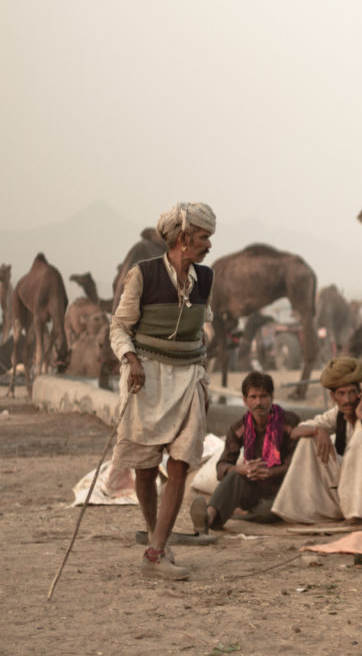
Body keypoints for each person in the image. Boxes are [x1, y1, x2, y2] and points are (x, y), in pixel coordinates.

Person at [109, 202, 216, 580]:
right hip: (147, 376)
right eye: (204, 238)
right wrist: (131, 359)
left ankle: (154, 553)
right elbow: (119, 328)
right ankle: (160, 541)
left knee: (181, 463)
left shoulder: (205, 278)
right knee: (144, 466)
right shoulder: (142, 275)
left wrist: (202, 373)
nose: (208, 245)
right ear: (184, 239)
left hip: (188, 377)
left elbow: (205, 325)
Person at [271, 357, 362, 524]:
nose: (348, 399)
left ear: (360, 393)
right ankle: (305, 509)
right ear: (333, 396)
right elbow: (295, 432)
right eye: (341, 394)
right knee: (308, 440)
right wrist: (317, 430)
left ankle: (356, 515)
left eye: (351, 392)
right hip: (346, 492)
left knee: (361, 442)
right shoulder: (337, 415)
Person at [189, 372, 300, 534]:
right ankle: (209, 516)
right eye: (253, 397)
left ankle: (239, 515)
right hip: (253, 488)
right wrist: (243, 470)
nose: (258, 402)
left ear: (272, 397)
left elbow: (295, 464)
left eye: (263, 396)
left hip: (282, 490)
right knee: (234, 476)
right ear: (244, 400)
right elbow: (222, 466)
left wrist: (268, 472)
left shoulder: (289, 423)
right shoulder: (239, 428)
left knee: (270, 512)